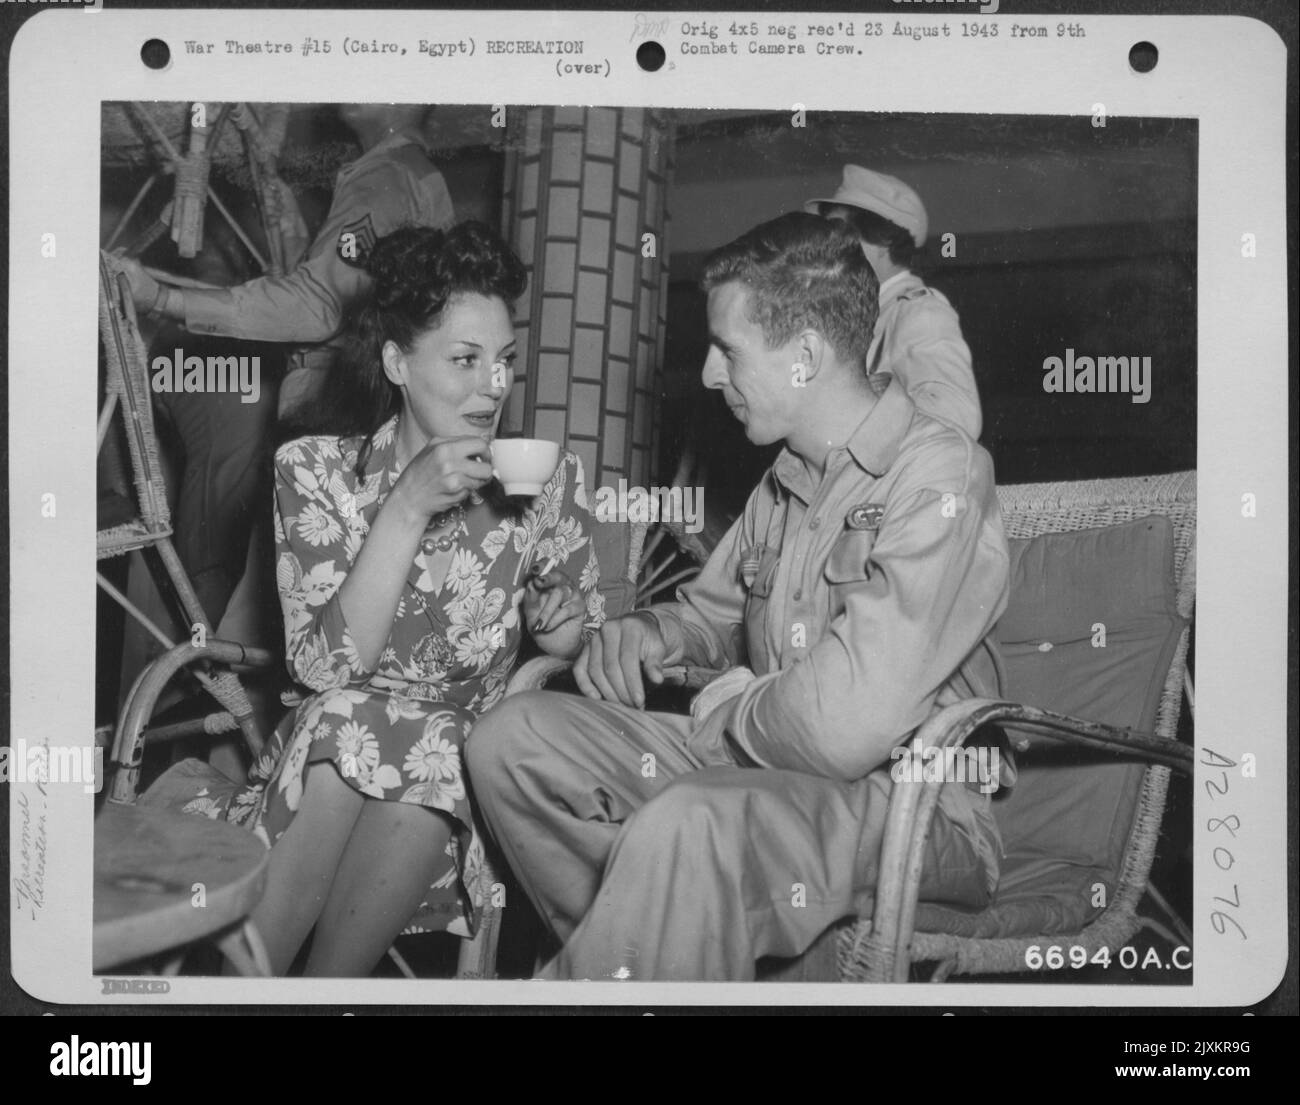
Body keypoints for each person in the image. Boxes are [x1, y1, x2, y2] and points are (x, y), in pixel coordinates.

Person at [467, 213, 1011, 981]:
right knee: (509, 739)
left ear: (806, 356)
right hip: (765, 774)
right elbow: (706, 619)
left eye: (728, 350)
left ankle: (631, 963)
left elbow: (842, 727)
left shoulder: (940, 475)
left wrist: (730, 707)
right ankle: (679, 952)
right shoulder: (783, 480)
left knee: (688, 823)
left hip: (918, 808)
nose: (709, 375)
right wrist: (653, 633)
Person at [172, 222, 606, 977]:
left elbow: (587, 647)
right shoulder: (314, 471)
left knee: (433, 743)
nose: (494, 387)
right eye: (466, 360)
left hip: (451, 800)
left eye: (504, 361)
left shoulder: (544, 480)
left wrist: (564, 634)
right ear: (398, 362)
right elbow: (321, 670)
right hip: (323, 771)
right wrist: (404, 507)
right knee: (356, 717)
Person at [116, 103, 456, 628]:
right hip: (358, 417)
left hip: (328, 413)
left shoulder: (382, 178)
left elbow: (315, 307)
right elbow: (340, 294)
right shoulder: (417, 179)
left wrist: (163, 298)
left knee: (272, 602)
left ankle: (200, 662)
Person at [806, 164, 983, 440]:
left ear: (882, 240)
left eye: (840, 235)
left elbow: (955, 418)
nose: (828, 250)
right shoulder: (868, 316)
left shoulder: (920, 313)